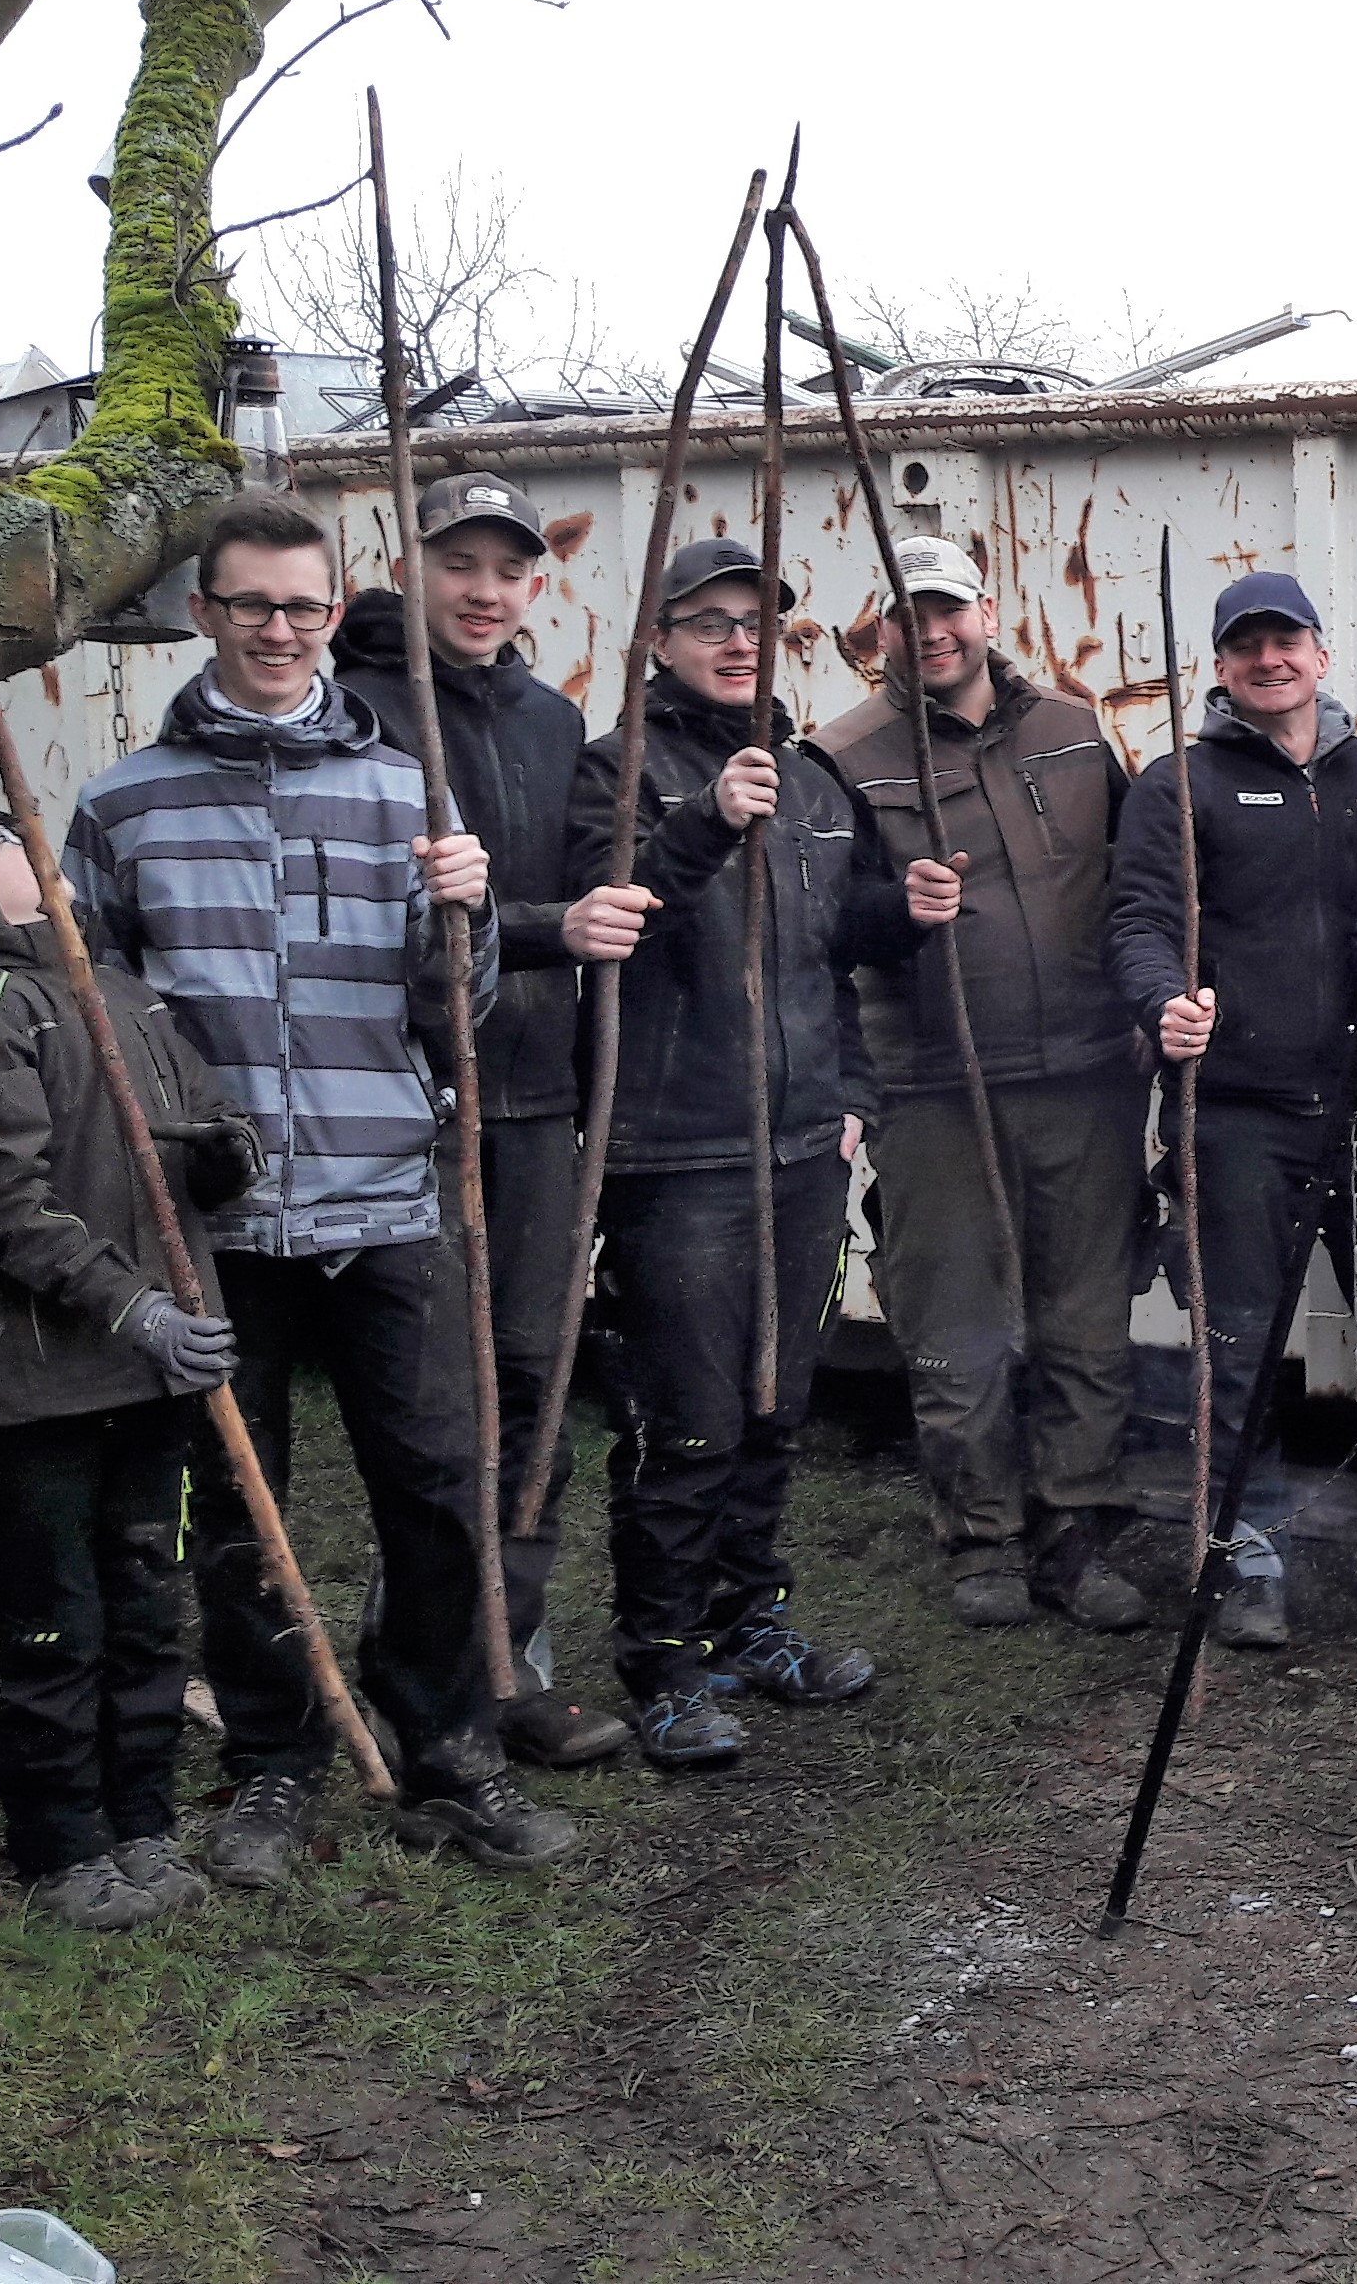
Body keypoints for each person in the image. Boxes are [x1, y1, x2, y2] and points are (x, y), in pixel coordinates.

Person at [65, 496, 575, 1881]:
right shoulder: (123, 805)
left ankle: (446, 1750)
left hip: (387, 1199)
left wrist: (466, 913)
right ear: (204, 613)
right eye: (251, 604)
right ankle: (273, 1764)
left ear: (333, 614)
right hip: (215, 1221)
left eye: (302, 606)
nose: (278, 629)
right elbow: (99, 1012)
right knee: (243, 1506)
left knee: (438, 1489)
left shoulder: (407, 792)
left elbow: (452, 1012)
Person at [565, 536, 957, 1769]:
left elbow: (834, 946)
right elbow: (609, 919)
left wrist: (907, 917)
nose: (738, 642)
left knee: (775, 1405)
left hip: (800, 1144)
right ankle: (663, 1660)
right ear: (658, 641)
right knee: (687, 1419)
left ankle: (748, 1622)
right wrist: (701, 824)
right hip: (677, 1150)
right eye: (709, 623)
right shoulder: (617, 770)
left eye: (756, 623)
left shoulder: (813, 776)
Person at [336, 474, 656, 1771]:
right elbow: (381, 914)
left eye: (507, 568)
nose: (483, 589)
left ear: (536, 582)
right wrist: (545, 929)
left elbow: (581, 886)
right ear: (409, 565)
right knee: (430, 1407)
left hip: (531, 1101)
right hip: (406, 1102)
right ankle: (418, 1668)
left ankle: (510, 1655)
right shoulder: (354, 710)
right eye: (458, 561)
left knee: (531, 1384)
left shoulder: (549, 715)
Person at [0, 803, 253, 1927]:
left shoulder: (124, 997)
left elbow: (203, 1113)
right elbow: (0, 1200)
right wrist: (133, 1306)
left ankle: (141, 1818)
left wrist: (226, 1155)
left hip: (147, 1383)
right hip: (39, 1389)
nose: (36, 851)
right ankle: (64, 1847)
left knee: (146, 1605)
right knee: (57, 1621)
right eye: (2, 844)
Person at [818, 536, 1154, 1637]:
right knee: (954, 1325)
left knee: (1085, 1322)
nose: (933, 632)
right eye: (908, 615)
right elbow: (818, 926)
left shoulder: (1072, 730)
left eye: (949, 608)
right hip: (934, 1085)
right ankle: (981, 1539)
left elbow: (1137, 886)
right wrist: (893, 912)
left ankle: (1077, 1533)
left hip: (1086, 1077)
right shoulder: (843, 755)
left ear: (987, 612)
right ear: (880, 631)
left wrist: (1149, 1009)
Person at [1108, 569, 1357, 1647]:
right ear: (1222, 666)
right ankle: (1245, 1551)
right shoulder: (1179, 783)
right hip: (1236, 1110)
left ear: (1321, 655)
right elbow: (1138, 920)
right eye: (1246, 646)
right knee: (1237, 1339)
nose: (1268, 660)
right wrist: (1163, 1000)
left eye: (1285, 640)